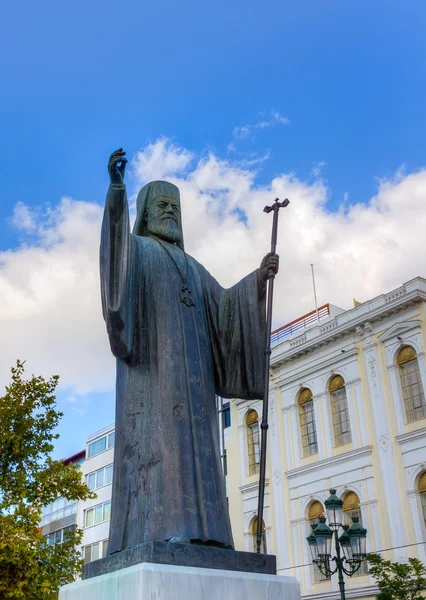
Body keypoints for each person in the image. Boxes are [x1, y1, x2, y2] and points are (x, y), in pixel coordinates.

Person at [100, 148, 279, 554]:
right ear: (144, 213)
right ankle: (156, 528)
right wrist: (116, 194)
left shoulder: (193, 267)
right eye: (161, 205)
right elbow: (115, 261)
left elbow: (225, 311)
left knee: (201, 456)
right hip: (154, 384)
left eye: (175, 207)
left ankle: (209, 534)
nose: (170, 213)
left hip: (196, 393)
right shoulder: (138, 252)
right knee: (160, 452)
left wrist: (256, 282)